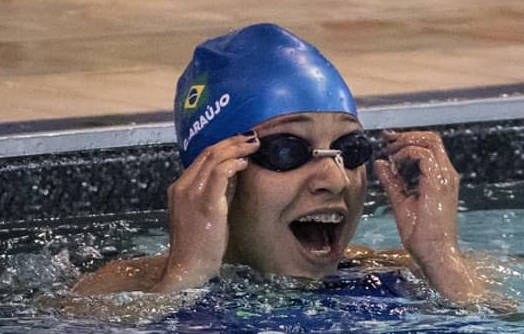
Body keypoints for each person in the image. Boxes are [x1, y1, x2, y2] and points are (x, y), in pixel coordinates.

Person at [73, 23, 487, 304]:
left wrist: (440, 257)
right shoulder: (120, 293)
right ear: (218, 174)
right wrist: (186, 278)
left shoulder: (400, 275)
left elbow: (523, 333)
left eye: (351, 148)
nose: (335, 178)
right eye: (288, 150)